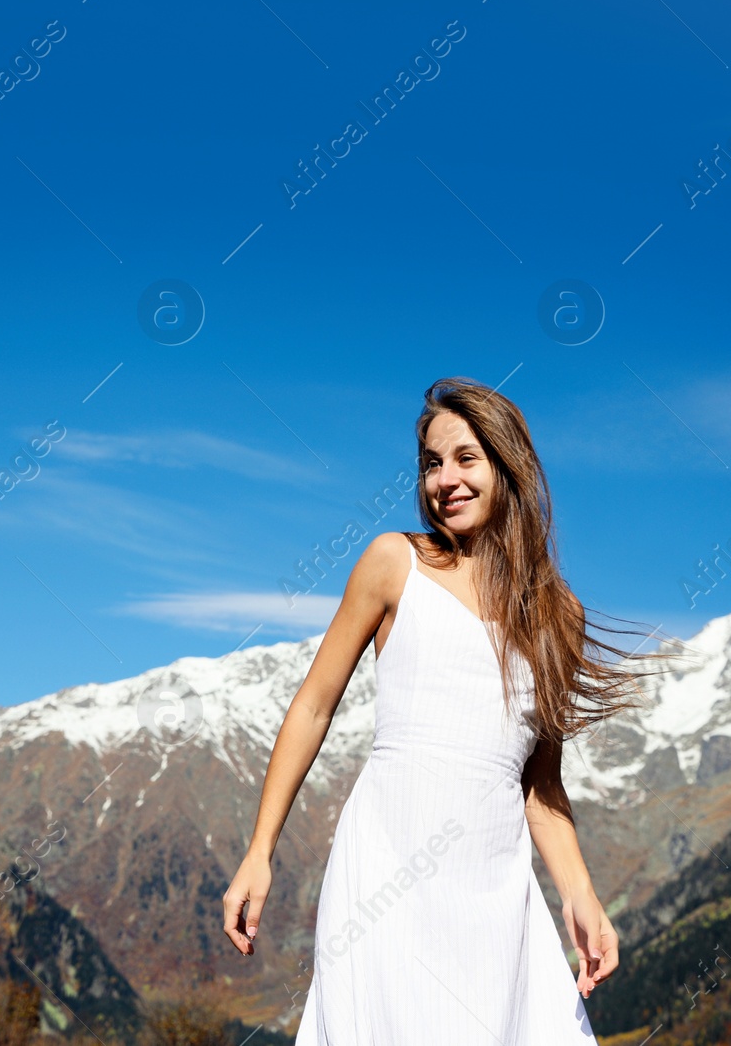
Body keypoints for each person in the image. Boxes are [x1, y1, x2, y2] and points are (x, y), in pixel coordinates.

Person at [221, 376, 659, 1043]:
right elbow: (312, 706)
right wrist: (260, 850)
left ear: (507, 466)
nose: (444, 479)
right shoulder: (394, 563)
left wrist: (580, 892)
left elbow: (539, 783)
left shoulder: (556, 614)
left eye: (465, 457)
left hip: (494, 887)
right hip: (384, 873)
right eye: (431, 462)